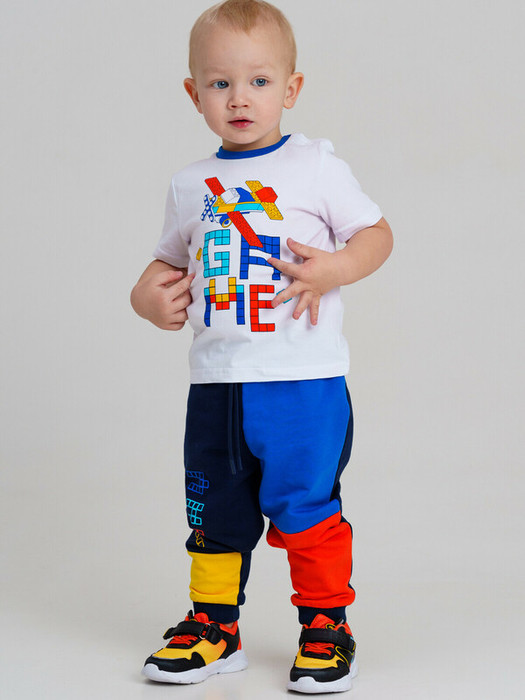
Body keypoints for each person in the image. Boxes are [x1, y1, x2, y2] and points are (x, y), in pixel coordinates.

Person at [130, 0, 393, 693]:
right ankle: (214, 626)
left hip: (301, 382)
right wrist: (145, 298)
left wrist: (336, 268)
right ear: (194, 94)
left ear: (291, 88)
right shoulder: (190, 185)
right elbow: (165, 263)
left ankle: (326, 624)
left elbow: (375, 234)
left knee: (306, 505)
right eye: (219, 84)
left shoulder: (314, 167)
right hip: (217, 386)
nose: (239, 98)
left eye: (259, 81)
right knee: (213, 511)